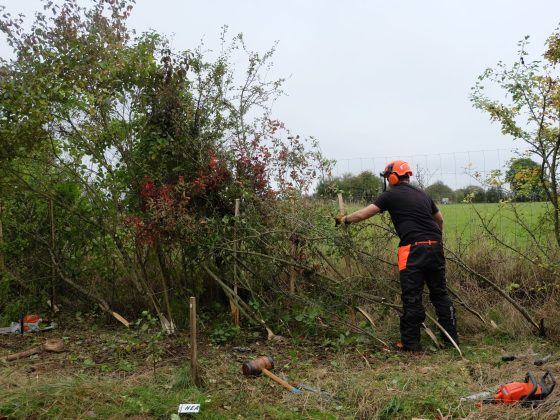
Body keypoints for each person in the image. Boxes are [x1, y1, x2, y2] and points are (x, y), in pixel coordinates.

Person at [335, 160, 458, 352]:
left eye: (387, 177)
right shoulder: (423, 194)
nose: (387, 181)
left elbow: (365, 214)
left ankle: (411, 344)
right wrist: (436, 240)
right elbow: (439, 219)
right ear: (407, 176)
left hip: (412, 250)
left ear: (392, 177)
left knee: (412, 297)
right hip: (435, 247)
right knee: (440, 294)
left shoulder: (390, 195)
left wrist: (345, 219)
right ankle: (451, 341)